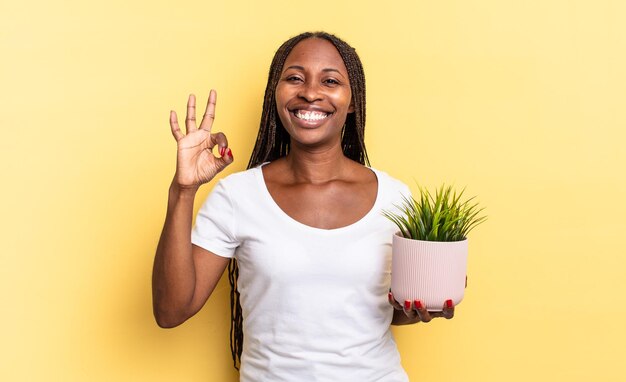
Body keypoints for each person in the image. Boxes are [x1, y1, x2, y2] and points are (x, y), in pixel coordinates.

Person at [152, 31, 455, 381]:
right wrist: (183, 191)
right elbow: (170, 311)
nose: (310, 92)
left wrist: (419, 306)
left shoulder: (394, 198)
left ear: (352, 100)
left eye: (330, 81)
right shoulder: (237, 196)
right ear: (275, 94)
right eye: (295, 78)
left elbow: (379, 309)